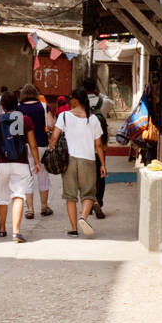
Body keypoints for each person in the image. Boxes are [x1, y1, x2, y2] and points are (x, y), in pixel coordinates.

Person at [0, 89, 40, 242]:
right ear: (17, 104)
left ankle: (2, 229)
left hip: (0, 163)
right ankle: (16, 232)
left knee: (1, 197)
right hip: (21, 163)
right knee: (18, 195)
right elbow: (33, 144)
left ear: (2, 106)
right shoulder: (25, 120)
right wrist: (37, 162)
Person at [47, 88, 103, 237]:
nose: (69, 101)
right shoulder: (93, 119)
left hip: (68, 160)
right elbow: (98, 145)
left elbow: (54, 138)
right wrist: (103, 164)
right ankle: (83, 217)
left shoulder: (64, 116)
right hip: (88, 160)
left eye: (71, 98)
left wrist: (51, 150)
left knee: (70, 196)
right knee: (89, 194)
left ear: (76, 100)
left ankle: (73, 229)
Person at [17, 83, 53, 218]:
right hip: (42, 144)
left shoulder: (18, 108)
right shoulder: (44, 106)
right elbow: (50, 125)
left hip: (24, 145)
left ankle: (30, 209)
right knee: (43, 174)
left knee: (28, 176)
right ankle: (44, 207)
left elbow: (17, 130)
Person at [82, 77, 111, 220]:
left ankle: (88, 203)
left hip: (84, 145)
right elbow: (110, 102)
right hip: (99, 144)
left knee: (87, 177)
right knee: (100, 175)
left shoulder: (79, 103)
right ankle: (98, 201)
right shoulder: (104, 102)